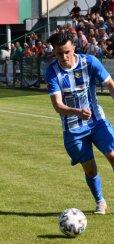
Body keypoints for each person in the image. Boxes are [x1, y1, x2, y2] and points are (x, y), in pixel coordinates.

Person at [45, 32, 114, 215]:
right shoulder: (52, 72)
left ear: (74, 48)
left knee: (113, 156)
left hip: (97, 121)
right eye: (59, 53)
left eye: (67, 52)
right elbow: (58, 105)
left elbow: (110, 84)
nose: (64, 57)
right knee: (90, 170)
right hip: (73, 128)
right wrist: (77, 112)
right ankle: (100, 201)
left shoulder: (89, 62)